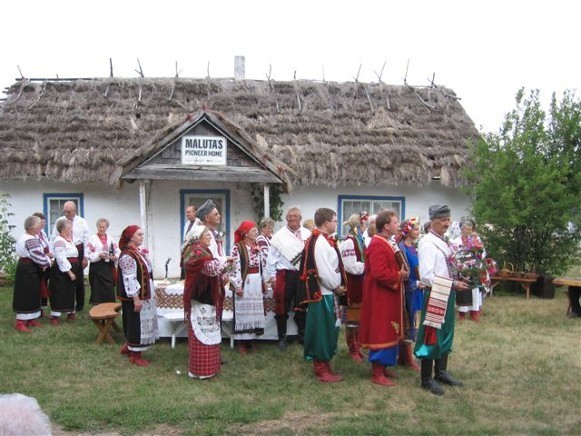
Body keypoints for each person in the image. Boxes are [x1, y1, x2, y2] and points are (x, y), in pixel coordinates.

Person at [414, 204, 470, 395]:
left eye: (448, 219)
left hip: (446, 290)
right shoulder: (428, 244)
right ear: (433, 222)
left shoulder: (442, 241)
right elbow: (426, 275)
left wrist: (458, 279)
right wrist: (453, 284)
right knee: (432, 333)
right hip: (437, 292)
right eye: (443, 220)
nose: (447, 223)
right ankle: (426, 378)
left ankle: (441, 372)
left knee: (446, 330)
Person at [358, 210, 409, 386]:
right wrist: (398, 275)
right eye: (395, 222)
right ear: (386, 226)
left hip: (388, 295)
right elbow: (379, 272)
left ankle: (385, 367)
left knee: (390, 328)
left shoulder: (386, 241)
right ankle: (377, 371)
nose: (398, 225)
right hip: (380, 296)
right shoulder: (377, 244)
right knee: (381, 330)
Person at [300, 208, 346, 383]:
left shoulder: (324, 241)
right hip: (324, 293)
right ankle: (320, 368)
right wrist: (336, 286)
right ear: (326, 222)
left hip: (328, 292)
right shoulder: (319, 241)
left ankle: (325, 364)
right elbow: (323, 271)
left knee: (328, 329)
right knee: (322, 330)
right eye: (334, 220)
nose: (336, 223)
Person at [183, 226, 233, 378]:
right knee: (202, 332)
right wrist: (226, 261)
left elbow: (213, 270)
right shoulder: (196, 251)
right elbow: (211, 269)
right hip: (199, 298)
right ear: (198, 236)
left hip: (206, 296)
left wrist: (226, 267)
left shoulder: (203, 250)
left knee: (209, 331)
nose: (210, 237)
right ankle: (201, 371)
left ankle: (210, 367)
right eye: (207, 234)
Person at [265, 206, 311, 350]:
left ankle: (302, 335)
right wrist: (272, 277)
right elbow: (271, 258)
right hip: (285, 274)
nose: (292, 218)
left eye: (295, 216)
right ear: (286, 219)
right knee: (282, 306)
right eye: (289, 216)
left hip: (302, 275)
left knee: (302, 304)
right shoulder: (279, 236)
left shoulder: (307, 234)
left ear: (300, 219)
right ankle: (282, 337)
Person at [117, 225, 158, 367]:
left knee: (138, 322)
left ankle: (128, 348)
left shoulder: (137, 252)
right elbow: (129, 278)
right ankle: (135, 355)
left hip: (144, 294)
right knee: (136, 323)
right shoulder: (127, 255)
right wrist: (136, 299)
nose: (142, 237)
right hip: (135, 296)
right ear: (131, 237)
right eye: (139, 234)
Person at [230, 221, 266, 354]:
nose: (256, 232)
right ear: (245, 233)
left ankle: (252, 340)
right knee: (243, 312)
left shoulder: (256, 246)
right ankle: (241, 342)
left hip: (256, 282)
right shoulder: (237, 247)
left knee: (254, 312)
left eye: (256, 230)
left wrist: (264, 281)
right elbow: (232, 267)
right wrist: (237, 284)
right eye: (253, 230)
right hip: (245, 282)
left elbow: (262, 265)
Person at [12, 216, 52, 332]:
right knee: (26, 294)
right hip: (28, 269)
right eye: (39, 225)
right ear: (32, 227)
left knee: (34, 292)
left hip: (29, 268)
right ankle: (20, 323)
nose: (40, 227)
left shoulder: (27, 236)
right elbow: (38, 256)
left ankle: (31, 319)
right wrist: (47, 261)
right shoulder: (30, 239)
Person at [52, 201, 90, 312]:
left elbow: (86, 240)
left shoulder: (82, 222)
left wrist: (85, 257)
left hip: (78, 250)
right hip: (63, 250)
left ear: (74, 210)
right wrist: (53, 256)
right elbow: (53, 237)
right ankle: (65, 304)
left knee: (78, 279)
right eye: (64, 211)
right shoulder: (60, 221)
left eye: (68, 211)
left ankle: (79, 305)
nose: (66, 213)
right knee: (64, 278)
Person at [396, 217, 423, 371]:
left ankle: (403, 356)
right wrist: (415, 283)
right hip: (408, 290)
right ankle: (407, 357)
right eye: (415, 229)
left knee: (414, 320)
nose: (418, 232)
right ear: (407, 231)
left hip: (417, 289)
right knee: (408, 321)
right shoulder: (402, 249)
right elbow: (404, 272)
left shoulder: (414, 247)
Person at [340, 213, 366, 363]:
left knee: (359, 318)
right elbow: (350, 266)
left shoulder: (359, 240)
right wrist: (367, 266)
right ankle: (352, 348)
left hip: (361, 283)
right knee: (352, 319)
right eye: (363, 226)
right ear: (358, 226)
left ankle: (359, 346)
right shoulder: (350, 242)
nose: (365, 228)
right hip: (354, 284)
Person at [453, 217, 486, 322]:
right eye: (466, 229)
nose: (468, 231)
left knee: (475, 291)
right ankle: (462, 314)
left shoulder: (476, 239)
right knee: (463, 291)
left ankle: (474, 313)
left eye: (470, 229)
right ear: (462, 230)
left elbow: (482, 253)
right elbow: (453, 254)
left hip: (474, 269)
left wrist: (478, 250)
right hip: (462, 269)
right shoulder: (456, 241)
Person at [48, 218, 78, 325]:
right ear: (62, 229)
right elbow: (61, 258)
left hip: (71, 266)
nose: (71, 230)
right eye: (69, 228)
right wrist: (69, 272)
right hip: (62, 269)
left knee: (69, 290)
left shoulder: (68, 239)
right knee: (59, 291)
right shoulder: (59, 241)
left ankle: (70, 312)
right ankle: (55, 315)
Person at [87, 218, 119, 305]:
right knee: (97, 290)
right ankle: (97, 311)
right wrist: (98, 255)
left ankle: (110, 309)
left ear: (106, 228)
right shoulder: (92, 239)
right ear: (97, 227)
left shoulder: (111, 239)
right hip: (97, 267)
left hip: (108, 267)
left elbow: (116, 250)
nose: (101, 229)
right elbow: (89, 253)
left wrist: (115, 257)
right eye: (100, 227)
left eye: (103, 227)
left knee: (109, 288)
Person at [32, 212, 51, 316]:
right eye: (42, 223)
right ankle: (37, 308)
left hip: (46, 260)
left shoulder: (42, 233)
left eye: (44, 222)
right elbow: (36, 250)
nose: (44, 224)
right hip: (39, 262)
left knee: (44, 284)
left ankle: (42, 308)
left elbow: (46, 244)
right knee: (40, 285)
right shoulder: (33, 235)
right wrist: (45, 254)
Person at [181, 205, 200, 280]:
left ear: (195, 212)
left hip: (195, 251)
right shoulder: (187, 223)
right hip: (186, 251)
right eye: (186, 212)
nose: (187, 214)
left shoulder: (199, 223)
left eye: (189, 212)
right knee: (185, 271)